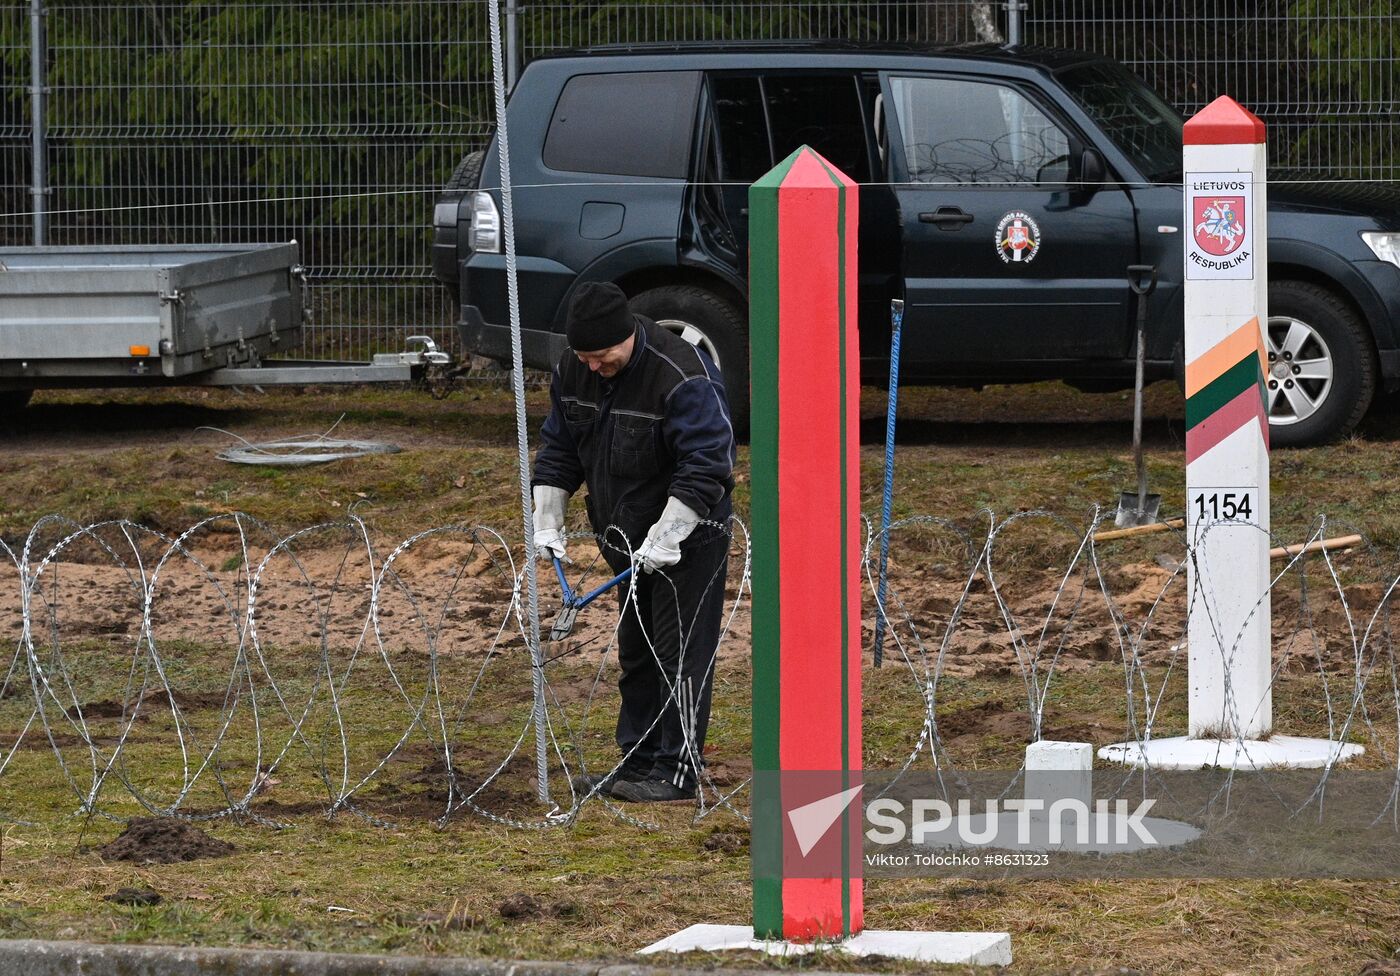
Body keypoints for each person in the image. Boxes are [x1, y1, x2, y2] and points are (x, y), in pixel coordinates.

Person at [531, 282, 735, 803]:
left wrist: (668, 535)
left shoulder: (681, 374)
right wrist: (547, 515)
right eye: (585, 358)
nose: (594, 368)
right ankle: (636, 762)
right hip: (623, 539)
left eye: (604, 357)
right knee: (638, 654)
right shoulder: (575, 370)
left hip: (688, 538)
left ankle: (677, 770)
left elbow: (708, 463)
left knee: (680, 654)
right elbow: (560, 446)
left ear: (628, 336)